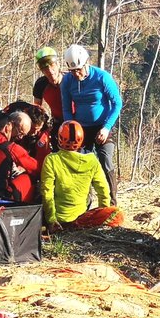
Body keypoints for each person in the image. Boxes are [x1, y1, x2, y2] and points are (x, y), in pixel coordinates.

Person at [60, 44, 122, 205]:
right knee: (81, 162)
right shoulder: (67, 81)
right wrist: (71, 127)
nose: (76, 74)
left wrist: (107, 127)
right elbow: (67, 108)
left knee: (105, 158)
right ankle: (83, 204)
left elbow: (117, 104)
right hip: (81, 128)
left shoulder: (102, 77)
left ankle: (111, 202)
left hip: (103, 125)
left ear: (87, 63)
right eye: (73, 71)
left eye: (79, 69)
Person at [41, 120, 123, 233]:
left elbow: (47, 193)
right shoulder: (92, 160)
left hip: (59, 220)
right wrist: (101, 215)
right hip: (82, 219)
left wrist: (51, 220)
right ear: (81, 140)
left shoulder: (51, 160)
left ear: (59, 138)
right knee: (117, 213)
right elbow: (103, 190)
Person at [4, 101, 51, 173]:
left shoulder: (43, 134)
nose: (35, 132)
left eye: (38, 129)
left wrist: (26, 169)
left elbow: (41, 162)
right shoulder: (15, 122)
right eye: (32, 129)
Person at [33, 47, 65, 150]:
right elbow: (36, 109)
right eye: (45, 68)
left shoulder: (70, 80)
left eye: (52, 65)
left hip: (77, 121)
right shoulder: (41, 85)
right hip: (57, 123)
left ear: (58, 64)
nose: (50, 71)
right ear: (42, 70)